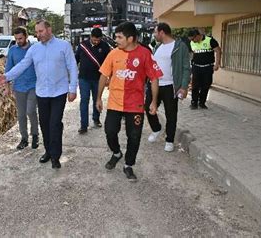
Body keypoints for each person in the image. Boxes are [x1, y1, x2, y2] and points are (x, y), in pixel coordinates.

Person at [0, 20, 78, 169]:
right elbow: (22, 65)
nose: (38, 35)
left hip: (59, 91)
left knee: (55, 124)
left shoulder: (63, 46)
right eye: (37, 32)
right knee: (45, 124)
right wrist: (7, 76)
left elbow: (72, 67)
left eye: (41, 31)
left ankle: (56, 156)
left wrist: (72, 89)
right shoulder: (34, 50)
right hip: (42, 92)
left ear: (49, 29)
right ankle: (48, 151)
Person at [96, 22, 162, 181]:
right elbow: (104, 75)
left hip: (135, 104)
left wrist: (153, 101)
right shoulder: (113, 54)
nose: (116, 40)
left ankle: (128, 165)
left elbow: (154, 78)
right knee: (110, 131)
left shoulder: (145, 54)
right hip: (115, 102)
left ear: (130, 38)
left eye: (119, 37)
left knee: (134, 136)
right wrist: (98, 98)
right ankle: (117, 152)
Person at [145, 23, 191, 152]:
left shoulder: (179, 47)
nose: (154, 35)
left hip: (170, 86)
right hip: (154, 84)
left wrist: (183, 86)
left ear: (162, 32)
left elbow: (186, 68)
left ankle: (169, 140)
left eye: (155, 32)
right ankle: (156, 129)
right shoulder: (158, 47)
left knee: (171, 114)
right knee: (147, 107)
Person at [5, 27, 39, 150]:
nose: (18, 41)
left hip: (33, 85)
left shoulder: (35, 49)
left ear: (26, 36)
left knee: (30, 111)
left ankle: (35, 135)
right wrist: (7, 87)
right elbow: (8, 68)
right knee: (21, 115)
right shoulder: (13, 50)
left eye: (20, 38)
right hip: (19, 87)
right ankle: (24, 138)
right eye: (16, 39)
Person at [75, 28, 110, 134]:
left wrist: (108, 77)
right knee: (84, 101)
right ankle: (83, 125)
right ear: (90, 37)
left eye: (98, 40)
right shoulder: (82, 45)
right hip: (83, 78)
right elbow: (75, 60)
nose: (96, 42)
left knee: (97, 99)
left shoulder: (104, 46)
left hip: (98, 79)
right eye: (94, 40)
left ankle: (96, 118)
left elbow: (109, 63)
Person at [187, 29, 221, 109]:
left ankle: (202, 102)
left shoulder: (210, 40)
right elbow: (192, 54)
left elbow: (218, 51)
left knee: (206, 85)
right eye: (191, 40)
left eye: (193, 39)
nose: (192, 41)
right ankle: (194, 102)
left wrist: (217, 64)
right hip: (196, 67)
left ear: (198, 35)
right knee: (195, 85)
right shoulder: (192, 43)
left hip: (207, 67)